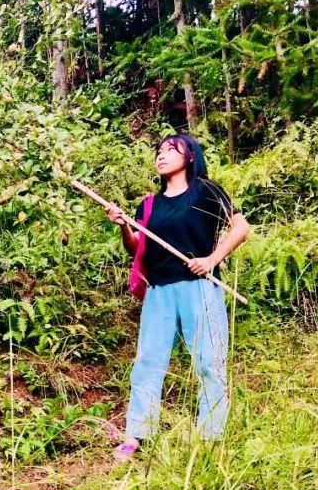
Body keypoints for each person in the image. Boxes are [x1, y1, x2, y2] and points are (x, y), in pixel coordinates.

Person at [106, 134, 250, 461]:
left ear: (189, 157)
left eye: (171, 150)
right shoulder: (148, 205)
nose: (162, 155)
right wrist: (123, 227)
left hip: (199, 286)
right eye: (158, 151)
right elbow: (136, 249)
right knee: (147, 362)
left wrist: (213, 259)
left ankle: (211, 437)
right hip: (159, 290)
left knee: (210, 363)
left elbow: (240, 227)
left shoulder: (206, 190)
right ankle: (136, 435)